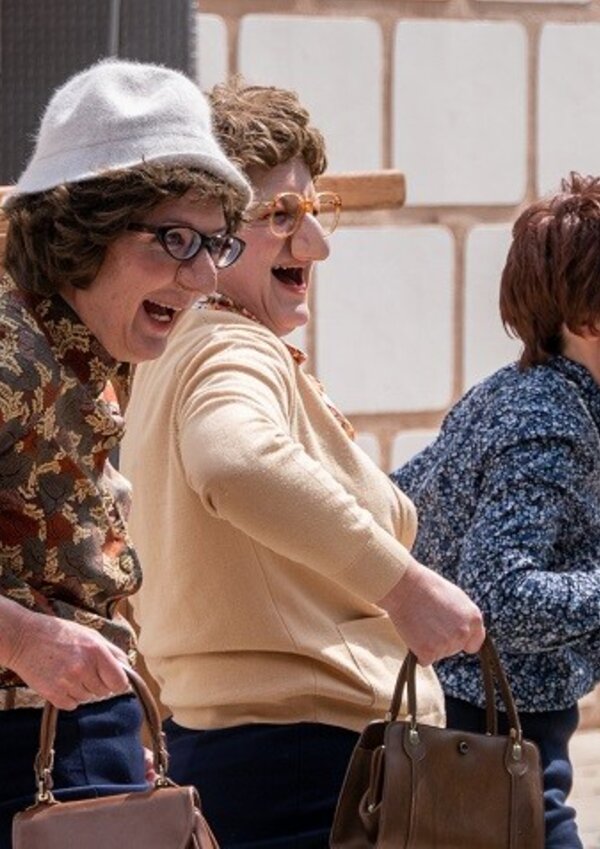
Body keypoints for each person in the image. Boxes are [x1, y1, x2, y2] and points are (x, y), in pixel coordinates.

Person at [121, 77, 484, 849]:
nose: (315, 245)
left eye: (316, 213)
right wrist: (405, 587)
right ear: (210, 233)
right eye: (282, 216)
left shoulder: (172, 352)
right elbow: (234, 460)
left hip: (247, 755)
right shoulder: (231, 348)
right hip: (308, 771)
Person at [0, 58, 250, 847]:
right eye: (176, 239)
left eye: (216, 244)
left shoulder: (90, 349)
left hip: (70, 742)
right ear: (85, 227)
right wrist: (24, 640)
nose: (203, 276)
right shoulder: (9, 350)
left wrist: (116, 727)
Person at [392, 172, 600, 849]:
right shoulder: (548, 424)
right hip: (490, 743)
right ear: (587, 321)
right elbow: (500, 595)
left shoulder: (515, 393)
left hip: (486, 732)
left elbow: (407, 503)